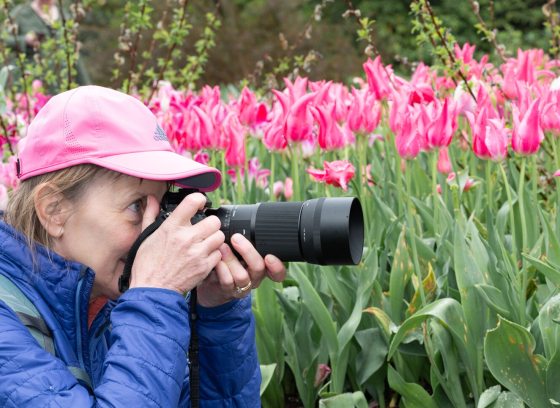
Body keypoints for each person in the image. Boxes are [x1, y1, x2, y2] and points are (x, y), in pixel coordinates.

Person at [0, 85, 286, 406]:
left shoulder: (110, 301)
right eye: (137, 207)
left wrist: (215, 312)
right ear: (54, 210)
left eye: (164, 207)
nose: (158, 232)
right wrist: (156, 294)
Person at [5, 0, 91, 86]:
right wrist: (24, 40)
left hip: (60, 83)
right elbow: (3, 40)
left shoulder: (64, 16)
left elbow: (73, 52)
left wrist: (86, 85)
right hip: (30, 82)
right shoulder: (21, 13)